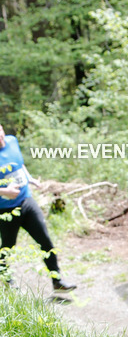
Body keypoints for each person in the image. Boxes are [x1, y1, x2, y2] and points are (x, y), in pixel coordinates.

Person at [0, 124, 75, 293]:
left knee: (45, 240)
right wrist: (5, 191)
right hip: (5, 210)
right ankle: (5, 278)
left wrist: (30, 178)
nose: (0, 137)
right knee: (7, 246)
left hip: (26, 201)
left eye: (0, 131)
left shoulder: (12, 141)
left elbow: (20, 164)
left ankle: (57, 281)